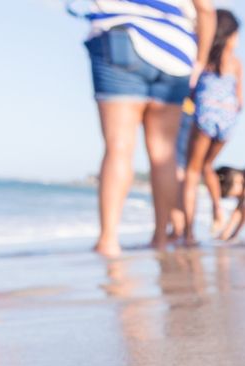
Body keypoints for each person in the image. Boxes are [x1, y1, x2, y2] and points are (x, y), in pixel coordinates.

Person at [75, 0, 215, 257]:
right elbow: (205, 8)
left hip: (123, 35)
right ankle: (160, 238)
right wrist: (200, 60)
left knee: (119, 146)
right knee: (164, 153)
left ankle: (108, 241)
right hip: (177, 51)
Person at [182, 9, 242, 244]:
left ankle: (187, 233)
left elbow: (191, 88)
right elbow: (241, 100)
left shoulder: (203, 58)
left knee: (192, 172)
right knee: (208, 165)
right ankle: (217, 207)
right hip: (228, 118)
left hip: (205, 113)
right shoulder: (237, 63)